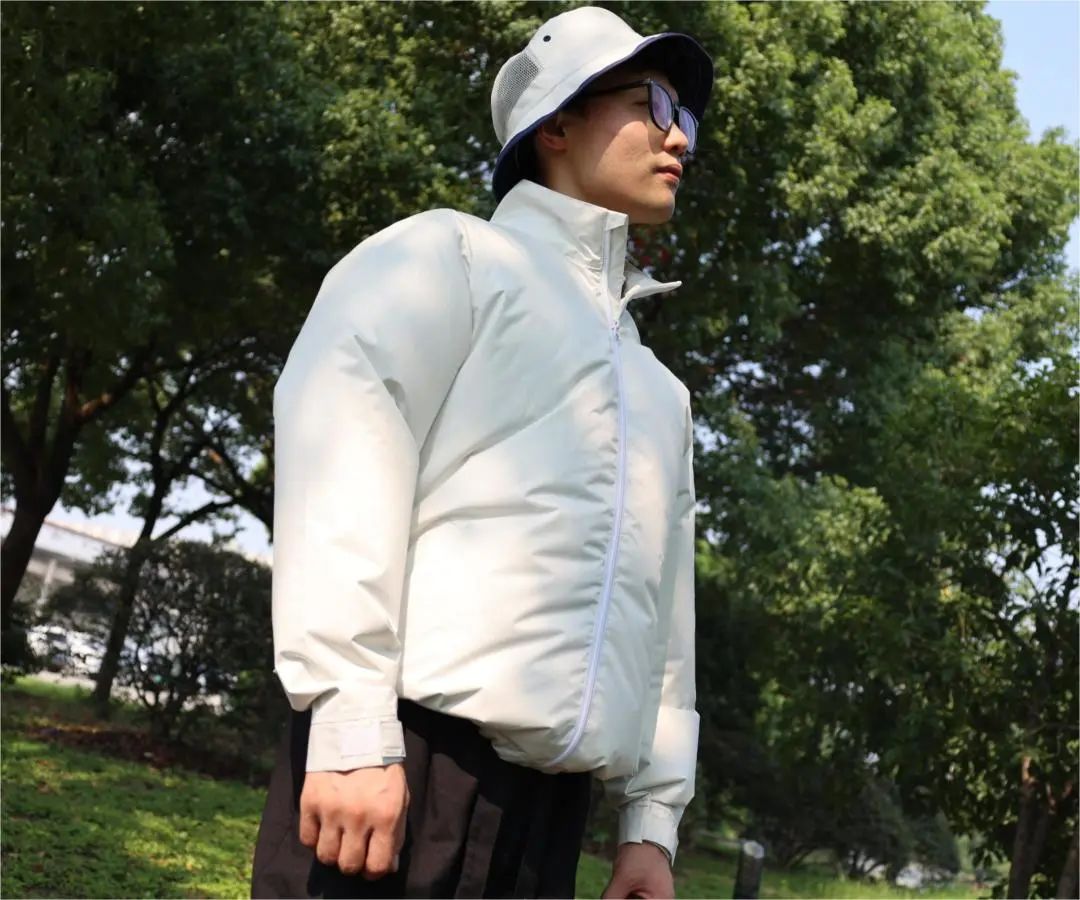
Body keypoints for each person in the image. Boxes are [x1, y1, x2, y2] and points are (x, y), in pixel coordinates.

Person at [251, 6, 713, 899]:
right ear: (556, 125)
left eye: (684, 115)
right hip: (395, 767)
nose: (679, 137)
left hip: (549, 825)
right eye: (653, 104)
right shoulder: (448, 257)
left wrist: (651, 826)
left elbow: (665, 616)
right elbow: (341, 453)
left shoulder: (660, 391)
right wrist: (350, 722)